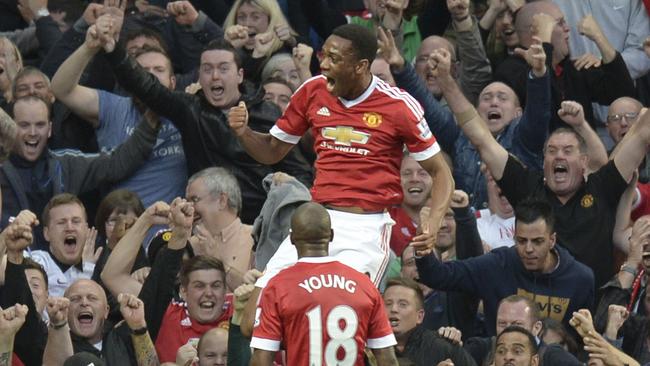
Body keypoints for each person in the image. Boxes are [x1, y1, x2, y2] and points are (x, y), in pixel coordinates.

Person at [229, 23, 453, 311]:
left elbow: (440, 172)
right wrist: (243, 132)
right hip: (315, 222)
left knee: (339, 318)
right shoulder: (312, 91)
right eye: (324, 56)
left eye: (334, 59)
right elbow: (272, 150)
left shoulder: (398, 106)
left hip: (365, 229)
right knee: (253, 317)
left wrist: (433, 222)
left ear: (360, 66)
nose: (323, 65)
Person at [428, 41, 647, 289]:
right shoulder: (528, 188)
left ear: (584, 162)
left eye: (567, 151)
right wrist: (446, 82)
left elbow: (642, 133)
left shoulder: (602, 187)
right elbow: (480, 138)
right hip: (532, 314)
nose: (558, 156)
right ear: (543, 162)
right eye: (551, 151)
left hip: (592, 313)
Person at [98, 13, 312, 223]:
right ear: (199, 76)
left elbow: (299, 171)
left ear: (239, 76)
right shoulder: (190, 109)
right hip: (207, 224)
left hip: (262, 222)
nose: (215, 76)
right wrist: (113, 50)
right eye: (207, 69)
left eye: (223, 68)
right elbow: (147, 87)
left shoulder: (268, 112)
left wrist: (284, 210)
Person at [51, 19, 188, 207]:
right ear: (131, 79)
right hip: (121, 226)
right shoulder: (113, 107)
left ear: (173, 82)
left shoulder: (187, 113)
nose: (150, 75)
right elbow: (61, 89)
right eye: (142, 70)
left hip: (170, 229)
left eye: (159, 70)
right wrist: (88, 48)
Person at [250, 202, 399, 366]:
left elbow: (261, 359)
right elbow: (387, 358)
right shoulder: (364, 285)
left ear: (292, 239)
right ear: (332, 236)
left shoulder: (278, 286)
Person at [0, 95, 159, 249]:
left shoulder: (67, 164)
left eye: (40, 125)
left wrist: (150, 123)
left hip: (61, 270)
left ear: (49, 129)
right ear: (11, 127)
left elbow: (115, 163)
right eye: (24, 125)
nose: (33, 132)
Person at [416, 198, 594, 335]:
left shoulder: (580, 279)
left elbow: (580, 343)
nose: (529, 249)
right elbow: (436, 275)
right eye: (522, 241)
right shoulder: (498, 265)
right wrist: (422, 237)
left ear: (552, 240)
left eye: (538, 241)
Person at [495, 1, 635, 130]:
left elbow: (623, 94)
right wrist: (544, 43)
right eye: (559, 23)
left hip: (584, 155)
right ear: (536, 32)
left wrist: (600, 39)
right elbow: (545, 101)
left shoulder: (572, 68)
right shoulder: (510, 71)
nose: (567, 28)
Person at [382, 277, 477, 366]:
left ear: (419, 316)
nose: (394, 309)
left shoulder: (444, 349)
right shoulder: (370, 350)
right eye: (388, 304)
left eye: (403, 304)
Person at [464, 295, 581, 366]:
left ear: (537, 328)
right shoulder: (480, 349)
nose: (508, 329)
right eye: (502, 323)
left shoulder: (554, 358)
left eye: (517, 324)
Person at [26, 194, 101, 297]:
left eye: (76, 221)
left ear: (86, 229)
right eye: (61, 222)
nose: (70, 227)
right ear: (47, 233)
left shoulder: (101, 267)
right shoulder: (34, 261)